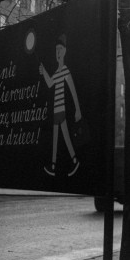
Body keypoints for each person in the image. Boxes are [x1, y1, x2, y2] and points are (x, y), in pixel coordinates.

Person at [39, 33, 82, 177]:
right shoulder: (57, 71)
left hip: (61, 109)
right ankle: (57, 164)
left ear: (64, 51)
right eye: (56, 49)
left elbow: (73, 90)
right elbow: (50, 83)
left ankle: (69, 162)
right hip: (55, 110)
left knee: (64, 137)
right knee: (57, 138)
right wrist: (44, 71)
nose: (57, 52)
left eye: (60, 49)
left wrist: (77, 109)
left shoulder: (65, 70)